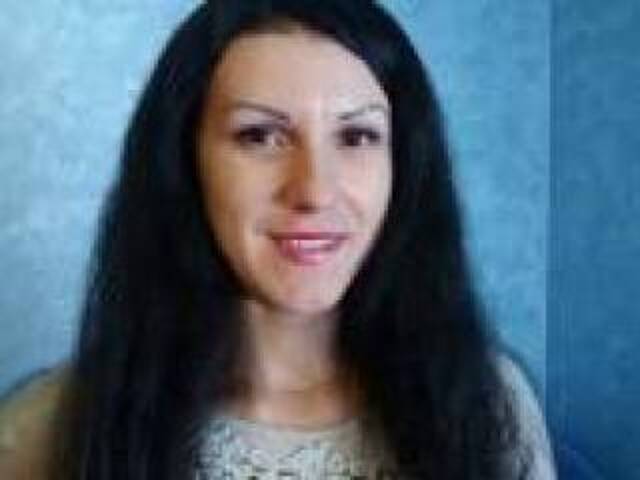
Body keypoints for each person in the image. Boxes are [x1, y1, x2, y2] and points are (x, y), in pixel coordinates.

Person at [0, 0, 557, 478]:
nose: (314, 190)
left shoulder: (489, 405)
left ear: (403, 166)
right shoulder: (49, 429)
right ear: (185, 162)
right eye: (260, 135)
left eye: (356, 136)